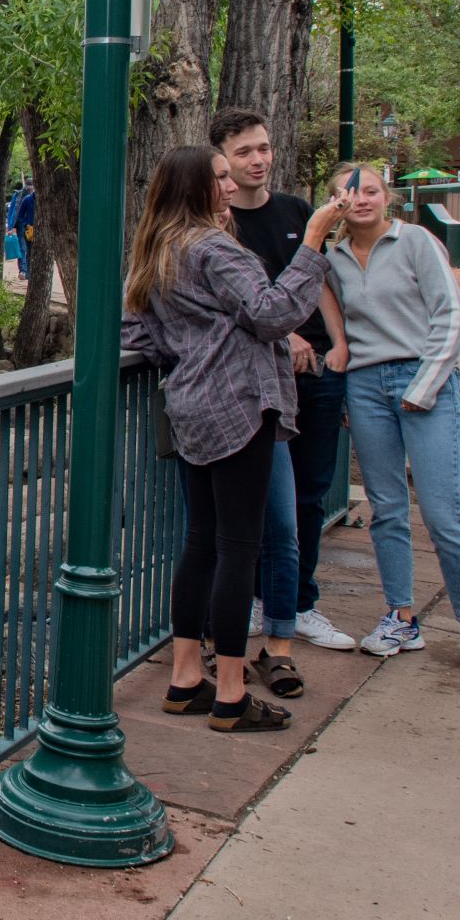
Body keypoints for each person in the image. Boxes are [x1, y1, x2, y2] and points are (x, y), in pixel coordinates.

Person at [123, 145, 343, 733]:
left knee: (201, 542)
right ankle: (230, 694)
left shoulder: (156, 250)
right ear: (196, 188)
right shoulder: (213, 248)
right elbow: (273, 314)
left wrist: (194, 348)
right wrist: (314, 240)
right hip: (243, 406)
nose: (229, 187)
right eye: (219, 177)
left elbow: (136, 331)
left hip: (192, 407)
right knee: (239, 547)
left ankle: (184, 678)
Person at [322, 161, 460, 678]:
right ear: (334, 201)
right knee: (386, 507)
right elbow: (323, 305)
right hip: (364, 385)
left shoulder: (417, 242)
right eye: (346, 192)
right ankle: (401, 617)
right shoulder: (332, 257)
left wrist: (424, 387)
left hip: (425, 382)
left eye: (370, 190)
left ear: (388, 196)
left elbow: (451, 314)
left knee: (444, 512)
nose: (359, 200)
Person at [208, 109, 357, 673]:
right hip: (260, 381)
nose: (258, 160)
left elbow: (312, 278)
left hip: (316, 373)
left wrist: (337, 343)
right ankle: (254, 604)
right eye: (244, 152)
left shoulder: (297, 211)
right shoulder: (221, 228)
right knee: (258, 504)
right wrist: (286, 333)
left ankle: (297, 605)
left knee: (309, 495)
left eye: (264, 148)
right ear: (223, 160)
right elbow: (251, 303)